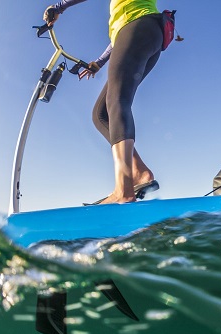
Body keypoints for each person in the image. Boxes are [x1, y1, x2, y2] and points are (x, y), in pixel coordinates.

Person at [44, 0, 163, 204]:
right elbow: (120, 35)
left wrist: (59, 6)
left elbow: (129, 25)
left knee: (117, 100)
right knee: (100, 114)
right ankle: (139, 172)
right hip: (145, 32)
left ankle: (124, 190)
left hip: (138, 26)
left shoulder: (132, 12)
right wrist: (99, 62)